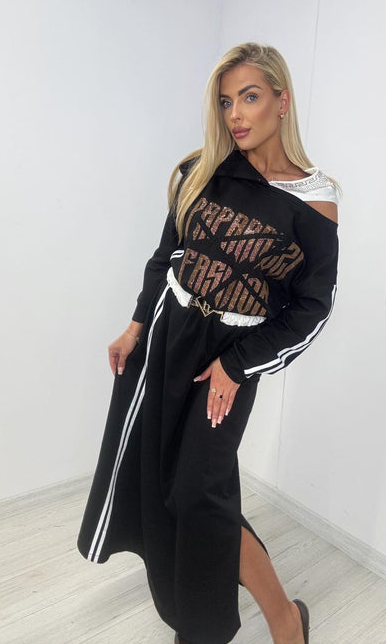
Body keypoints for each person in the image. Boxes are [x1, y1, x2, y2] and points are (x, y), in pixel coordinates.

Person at [77, 42, 339, 644]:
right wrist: (136, 326)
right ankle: (228, 621)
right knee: (167, 484)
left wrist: (237, 365)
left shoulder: (314, 198)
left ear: (282, 100)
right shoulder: (204, 168)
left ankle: (275, 622)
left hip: (229, 356)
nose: (236, 115)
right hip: (167, 336)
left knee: (199, 489)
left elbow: (312, 308)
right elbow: (166, 254)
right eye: (225, 102)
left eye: (250, 97)